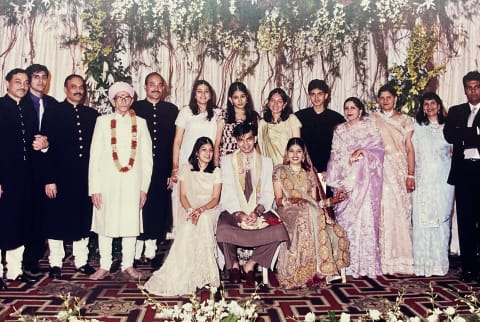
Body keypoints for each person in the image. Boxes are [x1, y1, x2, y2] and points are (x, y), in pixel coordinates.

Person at [88, 82, 152, 280]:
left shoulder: (140, 123)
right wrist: (94, 188)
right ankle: (104, 264)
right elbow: (95, 156)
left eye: (127, 97)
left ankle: (128, 264)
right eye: (119, 97)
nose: (123, 101)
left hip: (133, 182)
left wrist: (143, 188)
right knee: (105, 222)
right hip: (107, 182)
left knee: (130, 223)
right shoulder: (103, 121)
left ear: (132, 100)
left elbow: (147, 158)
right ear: (113, 101)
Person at [144, 137, 222, 295]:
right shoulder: (186, 169)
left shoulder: (216, 171)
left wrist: (200, 210)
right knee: (187, 227)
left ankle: (207, 275)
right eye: (204, 150)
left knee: (205, 220)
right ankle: (186, 273)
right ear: (196, 152)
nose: (208, 153)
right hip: (189, 208)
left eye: (210, 150)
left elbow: (215, 199)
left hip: (209, 210)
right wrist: (191, 211)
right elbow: (183, 196)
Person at [40, 74, 99, 279]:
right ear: (65, 89)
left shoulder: (92, 114)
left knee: (82, 220)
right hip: (60, 177)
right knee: (57, 220)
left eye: (81, 87)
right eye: (73, 87)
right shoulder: (53, 112)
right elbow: (45, 148)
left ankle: (81, 262)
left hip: (84, 178)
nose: (78, 90)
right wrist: (49, 179)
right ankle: (55, 263)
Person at [216, 122, 289, 287]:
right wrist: (239, 213)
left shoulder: (266, 161)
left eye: (249, 139)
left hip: (259, 210)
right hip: (235, 210)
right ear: (236, 141)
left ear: (255, 139)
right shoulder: (227, 161)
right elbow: (227, 191)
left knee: (280, 230)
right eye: (241, 140)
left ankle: (251, 264)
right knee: (221, 229)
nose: (245, 144)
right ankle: (233, 264)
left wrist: (257, 212)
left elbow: (268, 192)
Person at [273, 138, 350, 288]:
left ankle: (323, 268)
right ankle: (326, 270)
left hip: (310, 211)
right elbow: (278, 200)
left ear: (303, 155)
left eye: (299, 151)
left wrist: (333, 200)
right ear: (287, 154)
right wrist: (293, 200)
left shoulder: (309, 174)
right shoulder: (280, 171)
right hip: (288, 210)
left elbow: (316, 203)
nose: (295, 155)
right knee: (307, 213)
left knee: (314, 214)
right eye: (291, 151)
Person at [0, 68, 48, 290]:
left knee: (19, 225)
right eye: (17, 81)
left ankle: (15, 270)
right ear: (7, 82)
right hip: (4, 178)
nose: (22, 85)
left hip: (25, 179)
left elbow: (34, 143)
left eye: (25, 82)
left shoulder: (29, 109)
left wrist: (44, 144)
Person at [326, 98, 384, 278]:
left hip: (365, 184)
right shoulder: (340, 130)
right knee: (345, 223)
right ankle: (346, 264)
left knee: (364, 221)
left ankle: (365, 265)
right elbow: (335, 156)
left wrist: (363, 153)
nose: (349, 111)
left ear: (360, 110)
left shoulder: (370, 127)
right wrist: (344, 173)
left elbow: (379, 151)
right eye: (346, 108)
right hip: (345, 180)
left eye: (353, 108)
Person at [131, 72, 178, 270]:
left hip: (162, 167)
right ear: (145, 86)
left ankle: (151, 248)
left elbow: (174, 142)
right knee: (139, 207)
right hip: (139, 167)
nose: (156, 88)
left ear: (164, 88)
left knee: (158, 207)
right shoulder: (135, 108)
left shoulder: (172, 110)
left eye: (160, 85)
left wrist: (171, 170)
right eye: (152, 84)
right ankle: (135, 249)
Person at [371, 84, 415, 275]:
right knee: (381, 211)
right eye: (382, 97)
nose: (385, 101)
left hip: (399, 169)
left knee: (400, 211)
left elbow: (410, 148)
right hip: (379, 169)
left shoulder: (407, 121)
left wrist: (411, 174)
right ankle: (382, 260)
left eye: (389, 97)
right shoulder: (373, 119)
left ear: (395, 99)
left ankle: (401, 260)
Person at [21, 64, 59, 278]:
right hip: (22, 167)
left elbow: (58, 135)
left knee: (40, 215)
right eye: (36, 77)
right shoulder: (19, 102)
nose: (41, 81)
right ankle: (19, 260)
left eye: (44, 77)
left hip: (44, 167)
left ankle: (33, 259)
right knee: (22, 214)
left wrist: (47, 142)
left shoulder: (53, 104)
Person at [171, 80, 221, 235]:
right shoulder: (186, 112)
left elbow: (217, 143)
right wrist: (175, 166)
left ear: (210, 94)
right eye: (199, 91)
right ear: (194, 94)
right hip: (187, 163)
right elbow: (177, 141)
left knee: (205, 202)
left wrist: (216, 164)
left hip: (207, 164)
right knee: (183, 201)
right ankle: (182, 241)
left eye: (206, 91)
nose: (203, 94)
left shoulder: (217, 113)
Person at [444, 71, 480, 282]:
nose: (473, 91)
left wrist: (464, 134)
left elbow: (459, 136)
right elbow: (449, 135)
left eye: (477, 87)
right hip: (464, 171)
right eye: (469, 87)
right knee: (465, 220)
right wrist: (474, 133)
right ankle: (468, 267)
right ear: (464, 88)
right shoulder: (457, 111)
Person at [412, 92, 453, 277]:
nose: (429, 107)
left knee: (441, 221)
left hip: (444, 180)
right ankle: (423, 264)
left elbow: (453, 152)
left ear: (439, 105)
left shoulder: (449, 126)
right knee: (422, 221)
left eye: (432, 103)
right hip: (423, 179)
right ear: (422, 107)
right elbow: (411, 151)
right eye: (425, 104)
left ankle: (438, 264)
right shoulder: (417, 127)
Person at [295, 79, 345, 181]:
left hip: (327, 171)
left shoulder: (336, 118)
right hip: (304, 169)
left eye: (320, 94)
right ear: (309, 96)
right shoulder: (299, 117)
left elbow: (341, 148)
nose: (316, 98)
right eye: (313, 94)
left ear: (326, 96)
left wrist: (331, 169)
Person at [215, 81, 259, 164]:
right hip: (227, 160)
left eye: (242, 96)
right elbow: (217, 144)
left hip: (248, 161)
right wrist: (216, 167)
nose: (240, 100)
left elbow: (256, 144)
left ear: (247, 98)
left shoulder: (253, 116)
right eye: (236, 97)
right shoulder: (224, 115)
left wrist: (259, 164)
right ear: (230, 99)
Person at [257, 88, 301, 166]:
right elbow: (260, 148)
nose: (275, 104)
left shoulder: (292, 119)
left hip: (288, 166)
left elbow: (296, 146)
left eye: (279, 101)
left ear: (284, 104)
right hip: (269, 167)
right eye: (272, 100)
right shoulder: (262, 124)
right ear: (268, 103)